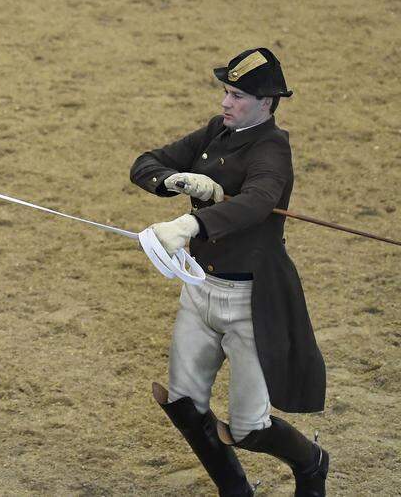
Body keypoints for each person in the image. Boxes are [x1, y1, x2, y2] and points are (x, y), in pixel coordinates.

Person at [130, 47, 329, 496]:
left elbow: (258, 201)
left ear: (267, 102)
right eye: (226, 91)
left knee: (248, 428)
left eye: (237, 95)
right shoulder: (216, 132)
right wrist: (175, 181)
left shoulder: (272, 149)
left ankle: (312, 464)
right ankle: (235, 491)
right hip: (200, 289)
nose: (225, 103)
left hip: (251, 304)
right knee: (183, 403)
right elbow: (146, 162)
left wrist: (192, 221)